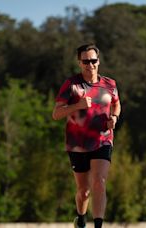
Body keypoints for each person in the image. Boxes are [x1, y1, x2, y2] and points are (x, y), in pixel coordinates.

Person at [52, 43, 121, 228]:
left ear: (98, 61)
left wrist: (114, 117)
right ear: (79, 63)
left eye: (93, 61)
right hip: (77, 143)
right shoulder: (71, 84)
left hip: (103, 139)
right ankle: (81, 218)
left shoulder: (110, 84)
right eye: (86, 61)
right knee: (84, 191)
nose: (90, 65)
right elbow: (56, 114)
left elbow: (116, 103)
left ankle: (98, 225)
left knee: (99, 181)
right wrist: (77, 105)